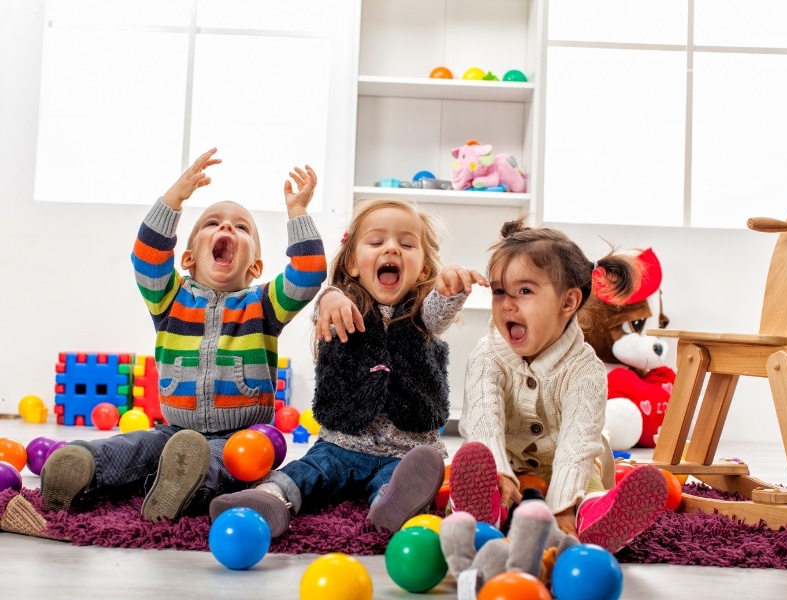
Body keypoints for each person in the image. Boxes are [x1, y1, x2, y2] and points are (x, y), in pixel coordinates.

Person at [40, 148, 327, 522]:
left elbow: (309, 273)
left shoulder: (264, 305)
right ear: (188, 257)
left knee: (232, 463)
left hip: (242, 435)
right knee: (136, 446)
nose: (226, 228)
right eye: (213, 223)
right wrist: (175, 198)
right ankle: (85, 466)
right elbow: (147, 255)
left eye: (241, 227)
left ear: (255, 265)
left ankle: (180, 487)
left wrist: (298, 213)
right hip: (174, 430)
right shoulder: (169, 298)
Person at [210, 198, 488, 538]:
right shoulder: (342, 305)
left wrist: (450, 289)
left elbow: (438, 311)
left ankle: (390, 505)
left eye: (406, 243)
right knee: (308, 471)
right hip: (340, 445)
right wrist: (330, 297)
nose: (392, 249)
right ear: (354, 263)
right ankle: (268, 498)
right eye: (376, 242)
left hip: (404, 452)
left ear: (425, 269)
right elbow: (325, 308)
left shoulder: (422, 315)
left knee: (399, 481)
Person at [449, 217, 667, 554]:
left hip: (570, 467)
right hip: (508, 460)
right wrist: (499, 471)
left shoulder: (585, 370)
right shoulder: (487, 356)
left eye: (524, 291)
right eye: (499, 291)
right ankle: (486, 511)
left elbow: (577, 445)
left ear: (568, 303)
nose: (507, 303)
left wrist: (562, 507)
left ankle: (595, 518)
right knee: (480, 463)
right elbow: (482, 419)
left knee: (587, 490)